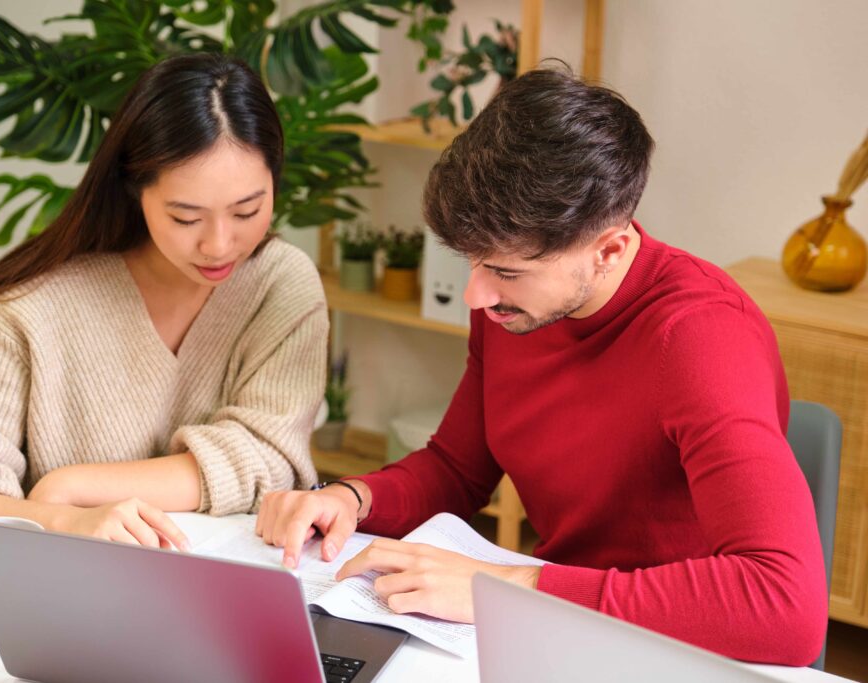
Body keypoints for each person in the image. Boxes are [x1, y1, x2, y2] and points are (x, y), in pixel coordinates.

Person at [256, 66, 826, 666]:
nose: (475, 296)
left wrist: (499, 586)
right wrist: (352, 498)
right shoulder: (514, 307)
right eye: (471, 262)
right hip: (553, 625)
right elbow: (458, 467)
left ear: (607, 249)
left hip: (678, 650)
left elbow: (785, 608)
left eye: (504, 271)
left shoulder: (702, 339)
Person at [0, 54, 328, 601]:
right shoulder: (17, 313)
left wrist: (72, 486)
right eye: (186, 217)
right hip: (26, 600)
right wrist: (65, 523)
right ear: (134, 190)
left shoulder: (279, 282)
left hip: (193, 596)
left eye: (247, 210)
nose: (220, 245)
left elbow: (272, 458)